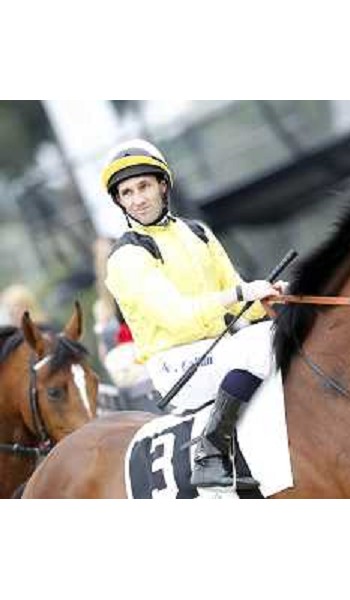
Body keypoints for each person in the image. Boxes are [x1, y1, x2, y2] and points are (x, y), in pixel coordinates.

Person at [102, 139, 285, 490]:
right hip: (176, 365)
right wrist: (242, 293)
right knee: (263, 341)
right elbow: (178, 317)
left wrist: (268, 300)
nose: (137, 199)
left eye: (143, 186)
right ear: (119, 201)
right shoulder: (125, 258)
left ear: (163, 185)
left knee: (288, 330)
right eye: (127, 193)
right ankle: (210, 450)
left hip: (221, 348)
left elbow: (235, 297)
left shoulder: (197, 231)